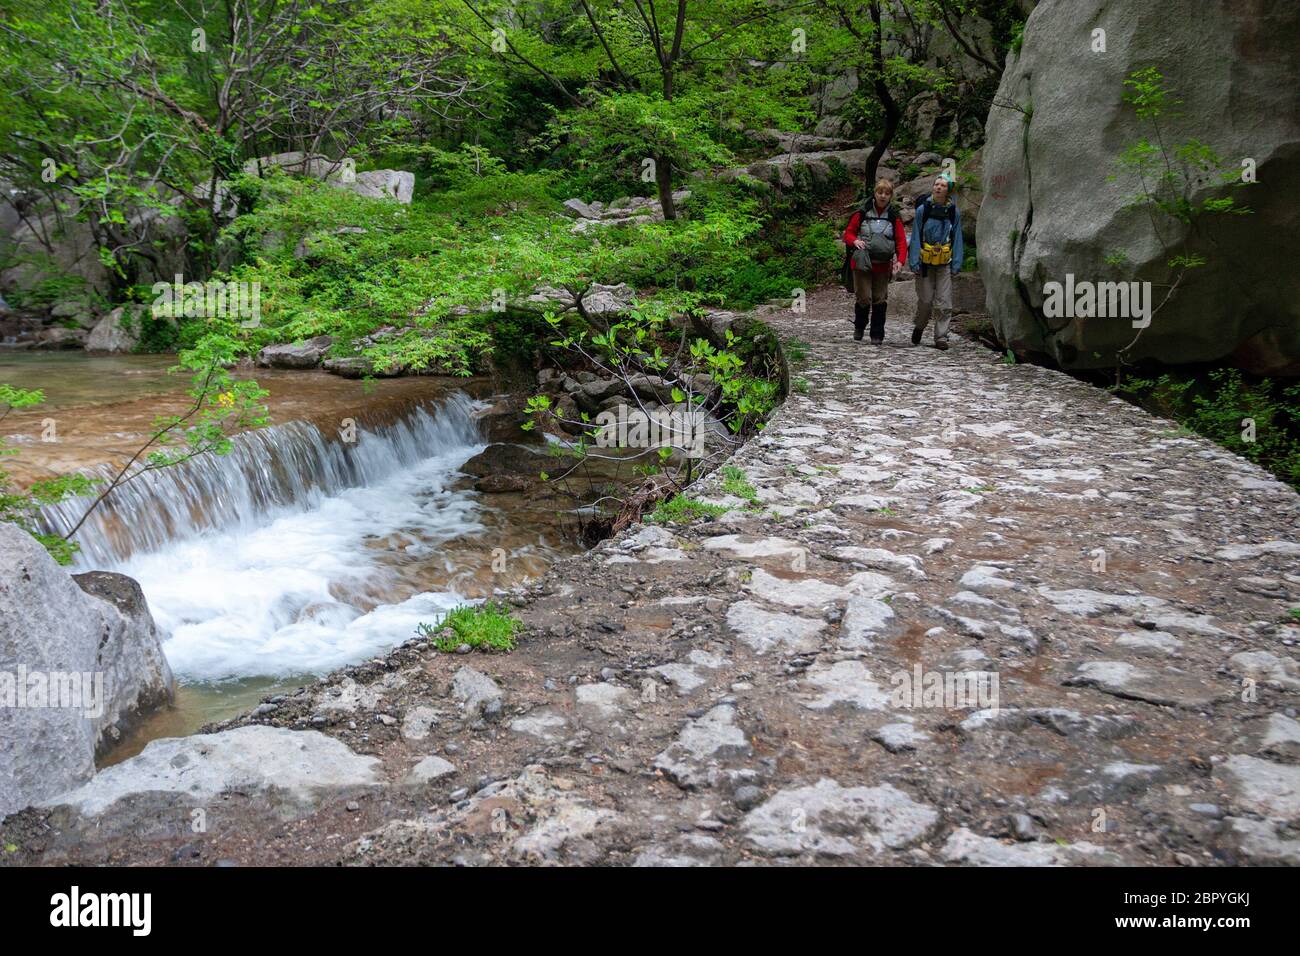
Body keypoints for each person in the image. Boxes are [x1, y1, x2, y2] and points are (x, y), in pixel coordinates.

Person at [842, 178, 907, 345]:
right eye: (880, 192)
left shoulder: (893, 216)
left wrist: (900, 260)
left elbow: (901, 240)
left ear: (891, 196)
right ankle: (860, 326)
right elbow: (848, 234)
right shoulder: (862, 213)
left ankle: (877, 333)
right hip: (862, 262)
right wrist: (855, 241)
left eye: (887, 193)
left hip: (883, 264)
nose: (883, 196)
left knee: (880, 298)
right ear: (875, 193)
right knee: (863, 297)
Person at [907, 173, 963, 350]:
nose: (938, 187)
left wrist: (957, 263)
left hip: (944, 262)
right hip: (925, 262)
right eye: (936, 184)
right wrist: (914, 261)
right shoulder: (922, 210)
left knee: (944, 301)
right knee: (925, 301)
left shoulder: (953, 212)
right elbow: (915, 235)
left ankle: (941, 337)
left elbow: (957, 237)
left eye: (943, 185)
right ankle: (920, 326)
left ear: (948, 190)